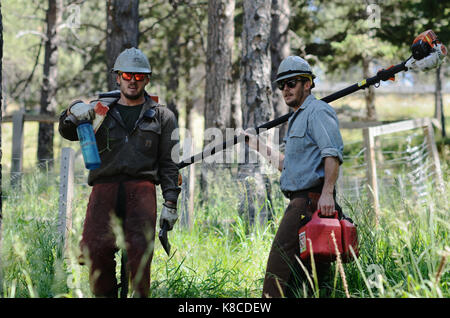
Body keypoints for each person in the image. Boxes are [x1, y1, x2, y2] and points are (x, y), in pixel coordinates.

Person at [58, 47, 180, 297]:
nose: (132, 81)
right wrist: (73, 109)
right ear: (117, 77)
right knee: (94, 249)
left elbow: (169, 163)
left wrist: (170, 202)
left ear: (147, 79)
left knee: (139, 256)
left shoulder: (162, 116)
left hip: (142, 191)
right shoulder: (99, 112)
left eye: (138, 76)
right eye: (127, 75)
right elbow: (67, 130)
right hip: (104, 189)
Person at [243, 56, 344, 298]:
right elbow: (287, 166)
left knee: (277, 272)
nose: (286, 89)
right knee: (306, 279)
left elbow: (332, 153)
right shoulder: (296, 118)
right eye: (282, 85)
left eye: (292, 83)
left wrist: (328, 193)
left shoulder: (318, 111)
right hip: (301, 203)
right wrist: (256, 144)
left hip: (310, 204)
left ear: (307, 84)